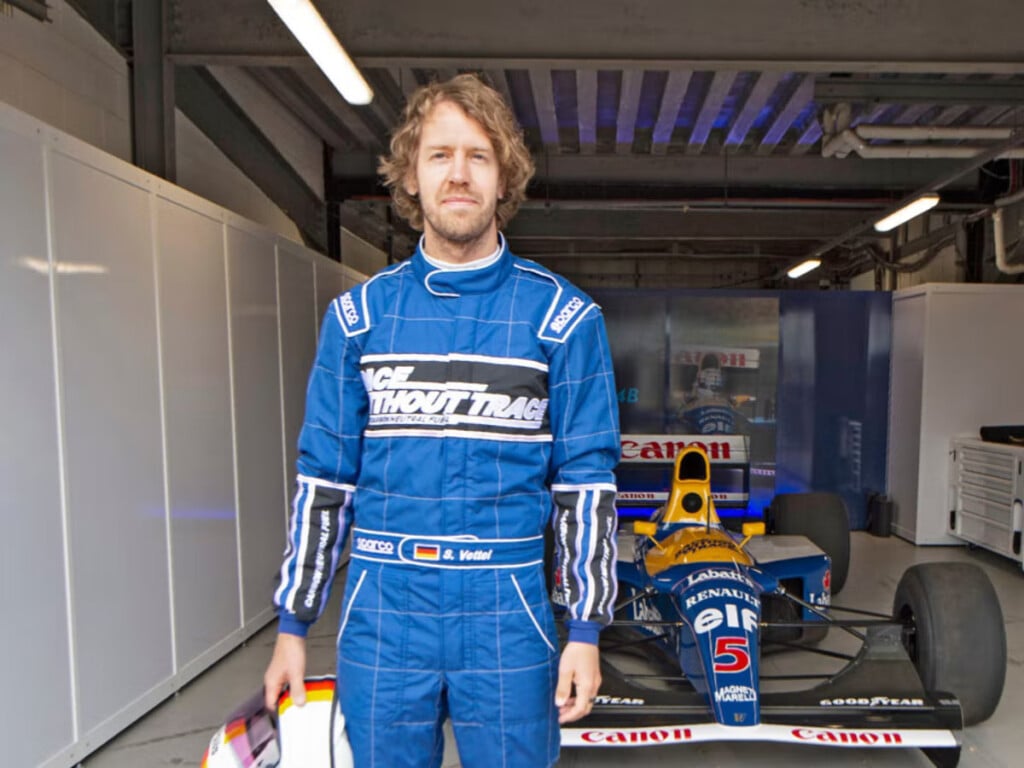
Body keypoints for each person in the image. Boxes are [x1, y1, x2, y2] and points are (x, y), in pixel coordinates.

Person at [263, 73, 620, 768]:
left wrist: (585, 629)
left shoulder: (565, 320)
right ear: (410, 176)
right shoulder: (357, 320)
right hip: (383, 611)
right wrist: (293, 623)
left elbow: (586, 484)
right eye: (440, 155)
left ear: (504, 176)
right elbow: (324, 478)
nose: (459, 174)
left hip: (509, 610)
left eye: (479, 156)